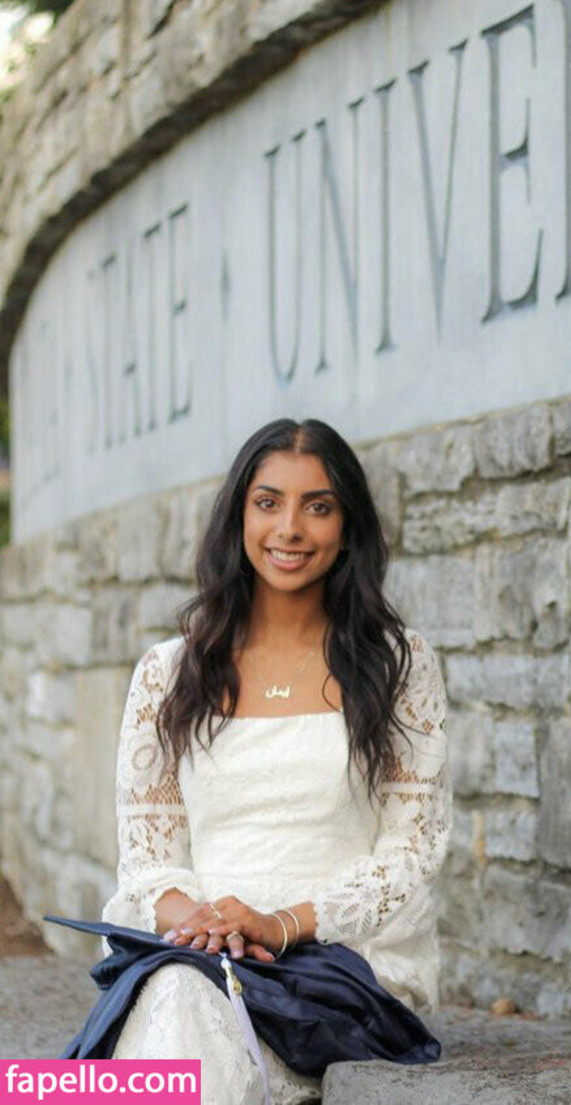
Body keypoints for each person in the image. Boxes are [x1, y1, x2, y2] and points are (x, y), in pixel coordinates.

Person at [96, 417, 452, 1103]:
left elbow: (412, 853)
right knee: (180, 992)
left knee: (175, 1023)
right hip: (205, 957)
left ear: (347, 526)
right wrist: (205, 924)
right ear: (239, 516)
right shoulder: (169, 674)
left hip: (341, 966)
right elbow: (147, 862)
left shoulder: (398, 666)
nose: (289, 528)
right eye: (268, 502)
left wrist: (279, 923)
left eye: (317, 506)